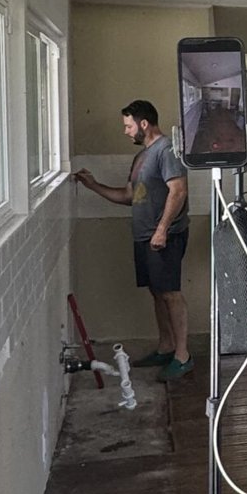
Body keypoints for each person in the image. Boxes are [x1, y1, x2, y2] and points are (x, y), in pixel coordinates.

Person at [73, 99, 192, 375]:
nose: (126, 132)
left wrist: (162, 229)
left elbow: (178, 191)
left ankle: (183, 356)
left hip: (165, 237)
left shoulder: (167, 151)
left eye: (128, 126)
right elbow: (129, 196)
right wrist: (93, 186)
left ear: (144, 124)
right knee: (157, 292)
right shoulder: (142, 157)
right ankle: (166, 347)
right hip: (145, 237)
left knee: (171, 293)